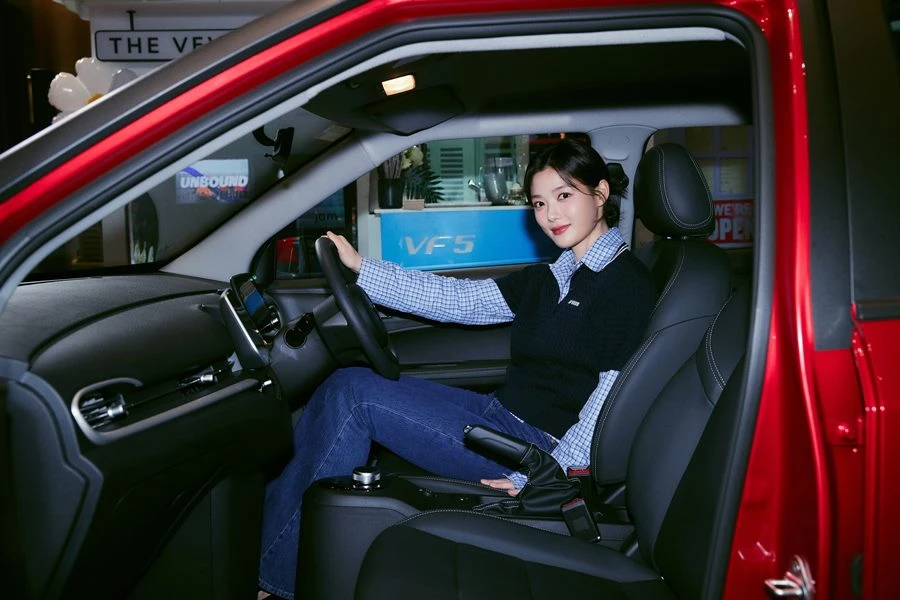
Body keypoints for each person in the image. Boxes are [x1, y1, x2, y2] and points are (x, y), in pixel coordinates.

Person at [258, 138, 657, 599]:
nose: (551, 215)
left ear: (600, 194)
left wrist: (541, 477)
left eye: (564, 196)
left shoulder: (626, 287)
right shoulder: (555, 275)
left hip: (533, 449)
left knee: (353, 396)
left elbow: (607, 401)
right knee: (348, 382)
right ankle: (275, 554)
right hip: (498, 415)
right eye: (539, 203)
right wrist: (362, 267)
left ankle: (272, 581)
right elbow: (460, 300)